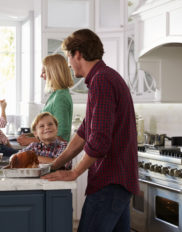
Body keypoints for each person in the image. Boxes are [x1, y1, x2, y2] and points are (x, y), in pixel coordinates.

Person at [42, 29, 139, 232]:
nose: (68, 63)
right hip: (118, 179)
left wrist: (75, 172)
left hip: (110, 180)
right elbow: (84, 132)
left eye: (68, 56)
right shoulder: (103, 78)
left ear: (78, 54)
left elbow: (100, 140)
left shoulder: (101, 81)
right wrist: (56, 165)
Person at [17, 54, 74, 146]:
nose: (41, 75)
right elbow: (49, 131)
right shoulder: (56, 94)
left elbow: (61, 136)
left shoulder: (61, 97)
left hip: (54, 155)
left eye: (44, 72)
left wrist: (31, 141)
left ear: (53, 73)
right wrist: (31, 135)